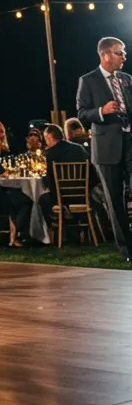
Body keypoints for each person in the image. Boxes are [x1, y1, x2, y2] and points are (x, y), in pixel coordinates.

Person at [77, 36, 132, 259]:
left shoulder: (127, 79)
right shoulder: (88, 80)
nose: (124, 57)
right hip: (106, 149)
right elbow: (81, 114)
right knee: (115, 199)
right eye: (120, 53)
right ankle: (127, 249)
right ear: (105, 54)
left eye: (124, 53)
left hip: (129, 144)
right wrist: (102, 111)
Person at [38, 123, 91, 238]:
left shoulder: (51, 154)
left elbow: (51, 179)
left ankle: (58, 231)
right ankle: (79, 228)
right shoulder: (79, 149)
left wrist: (45, 182)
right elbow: (91, 171)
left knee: (43, 199)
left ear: (49, 137)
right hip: (83, 195)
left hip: (61, 197)